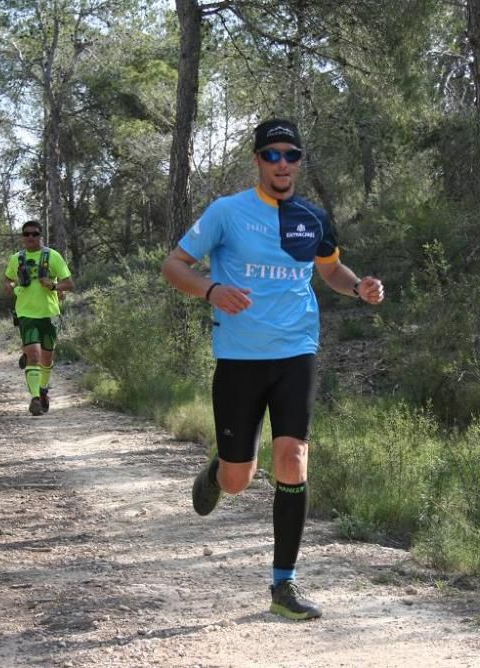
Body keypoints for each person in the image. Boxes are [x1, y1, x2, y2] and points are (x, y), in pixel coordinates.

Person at [161, 118, 384, 620]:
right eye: (272, 155)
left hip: (296, 351)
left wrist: (358, 288)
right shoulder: (226, 213)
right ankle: (220, 474)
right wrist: (212, 290)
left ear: (300, 161)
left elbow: (329, 269)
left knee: (293, 459)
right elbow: (174, 265)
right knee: (242, 478)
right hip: (239, 359)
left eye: (291, 155)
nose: (282, 163)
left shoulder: (312, 217)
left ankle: (283, 586)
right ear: (257, 160)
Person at [4, 220, 74, 416]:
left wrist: (53, 286)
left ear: (41, 235)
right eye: (27, 234)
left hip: (50, 313)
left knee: (47, 357)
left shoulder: (53, 256)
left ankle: (43, 389)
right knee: (34, 356)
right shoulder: (16, 259)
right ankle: (35, 398)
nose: (31, 237)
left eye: (35, 234)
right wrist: (11, 287)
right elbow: (7, 279)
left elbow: (69, 284)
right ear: (22, 237)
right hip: (26, 314)